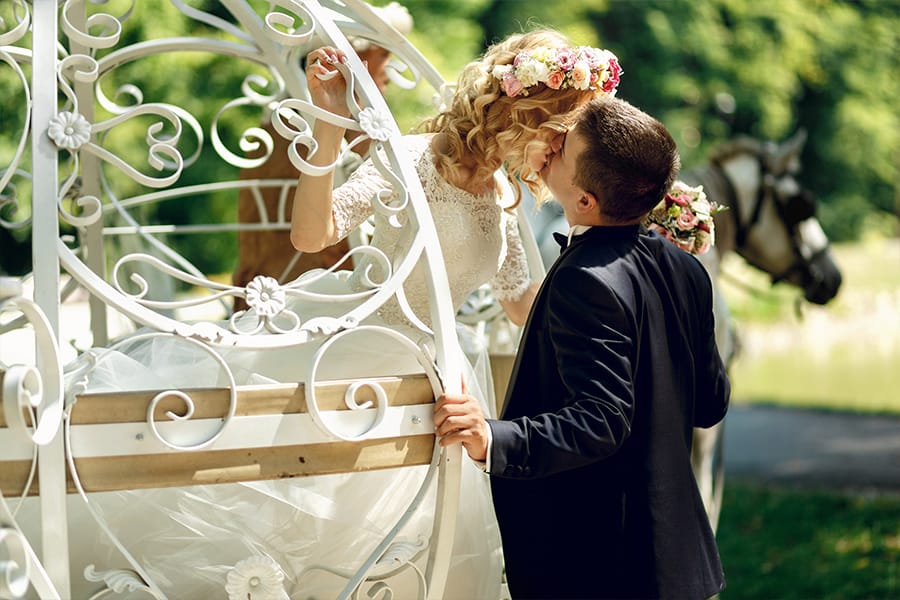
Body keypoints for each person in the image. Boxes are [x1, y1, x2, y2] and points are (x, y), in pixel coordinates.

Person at [68, 28, 624, 599]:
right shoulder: (411, 161)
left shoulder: (502, 191)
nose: (559, 153)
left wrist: (629, 309)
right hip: (359, 365)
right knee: (313, 539)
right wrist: (328, 127)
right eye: (559, 136)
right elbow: (313, 234)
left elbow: (520, 305)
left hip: (443, 382)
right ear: (524, 115)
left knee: (419, 553)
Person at [434, 96, 731, 599]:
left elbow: (602, 420)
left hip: (601, 565)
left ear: (587, 201)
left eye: (564, 146)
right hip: (676, 561)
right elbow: (709, 402)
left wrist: (494, 438)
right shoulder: (686, 268)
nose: (550, 144)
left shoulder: (584, 279)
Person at [232, 1, 414, 312]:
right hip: (316, 296)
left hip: (267, 290)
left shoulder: (279, 123)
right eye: (382, 54)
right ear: (353, 60)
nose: (388, 68)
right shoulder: (322, 128)